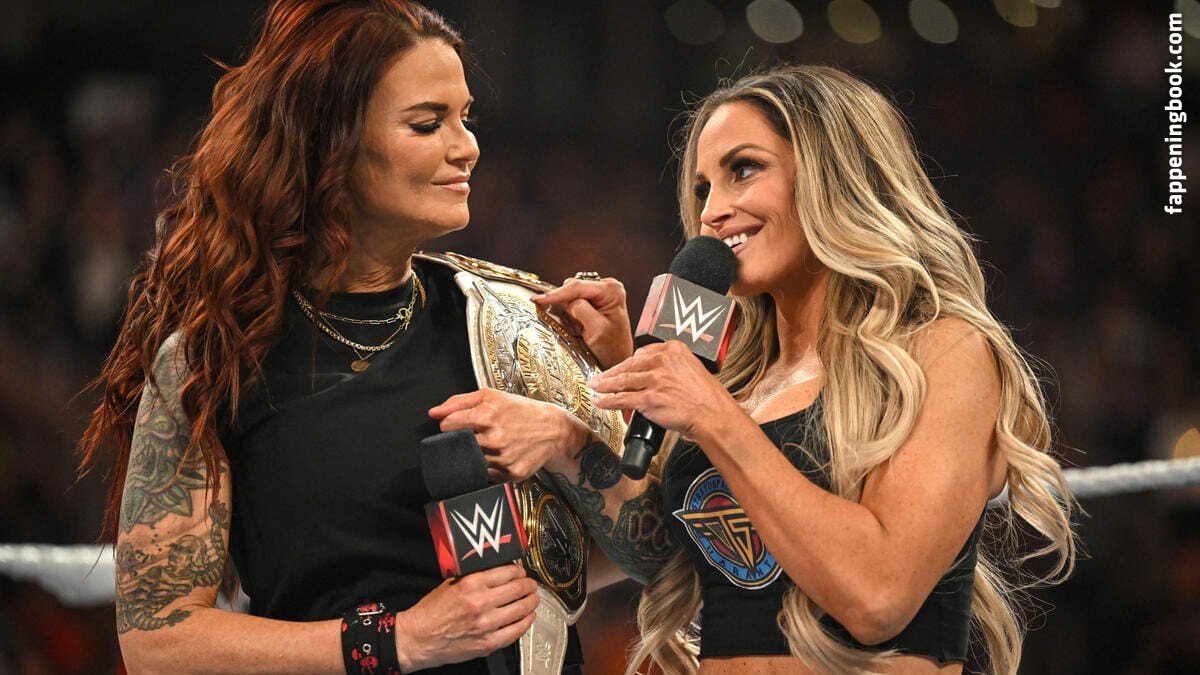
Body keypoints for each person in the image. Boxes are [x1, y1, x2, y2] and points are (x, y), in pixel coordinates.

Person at [78, 1, 627, 672]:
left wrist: (585, 430)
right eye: (427, 123)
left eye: (466, 118)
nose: (467, 146)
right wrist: (399, 639)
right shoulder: (215, 357)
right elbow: (156, 640)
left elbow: (656, 549)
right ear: (328, 141)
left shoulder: (512, 323)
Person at [522, 66, 1076, 674]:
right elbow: (664, 558)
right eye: (703, 189)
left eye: (744, 169)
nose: (713, 211)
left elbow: (879, 597)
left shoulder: (941, 352)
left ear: (834, 174)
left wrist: (713, 416)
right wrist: (575, 426)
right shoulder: (737, 380)